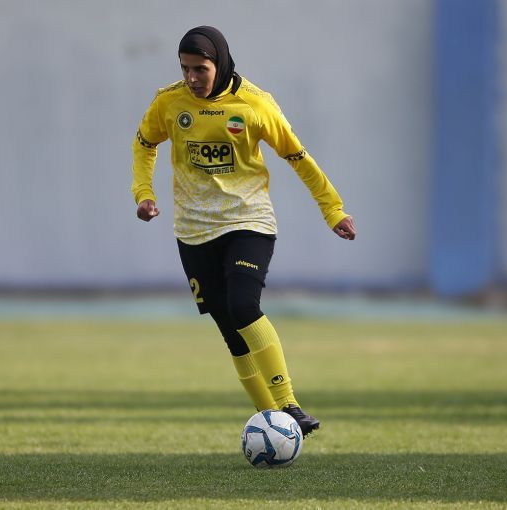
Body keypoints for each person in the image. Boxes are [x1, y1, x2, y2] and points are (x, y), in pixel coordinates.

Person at [131, 26, 356, 436]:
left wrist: (332, 209)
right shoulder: (169, 102)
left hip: (247, 221)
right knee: (230, 330)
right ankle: (272, 422)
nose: (191, 78)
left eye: (200, 69)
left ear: (219, 63)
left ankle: (288, 403)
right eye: (185, 69)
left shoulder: (254, 104)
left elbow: (298, 157)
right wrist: (143, 193)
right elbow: (145, 143)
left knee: (243, 306)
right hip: (193, 230)